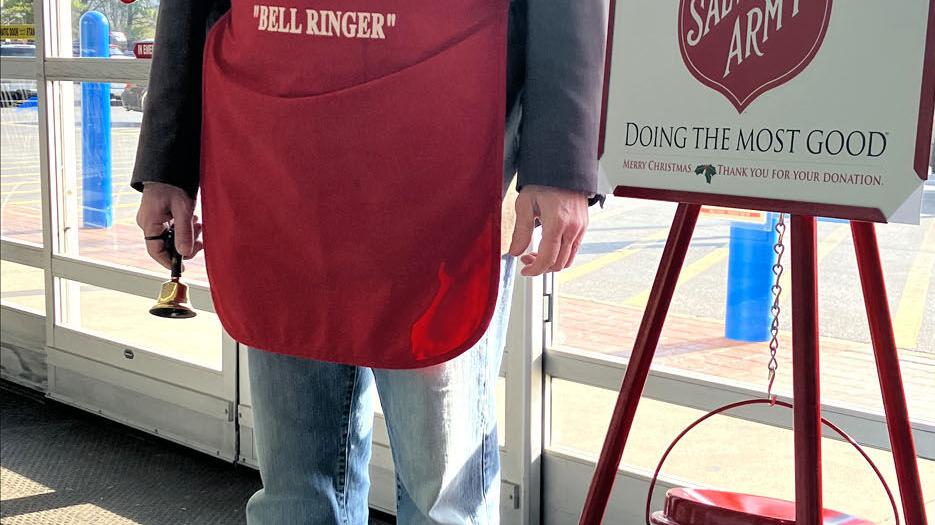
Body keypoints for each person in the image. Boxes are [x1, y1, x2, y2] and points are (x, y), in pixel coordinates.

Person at [131, 0, 604, 523]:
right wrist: (167, 163)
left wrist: (562, 160)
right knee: (295, 492)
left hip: (438, 139)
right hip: (276, 142)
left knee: (441, 495)